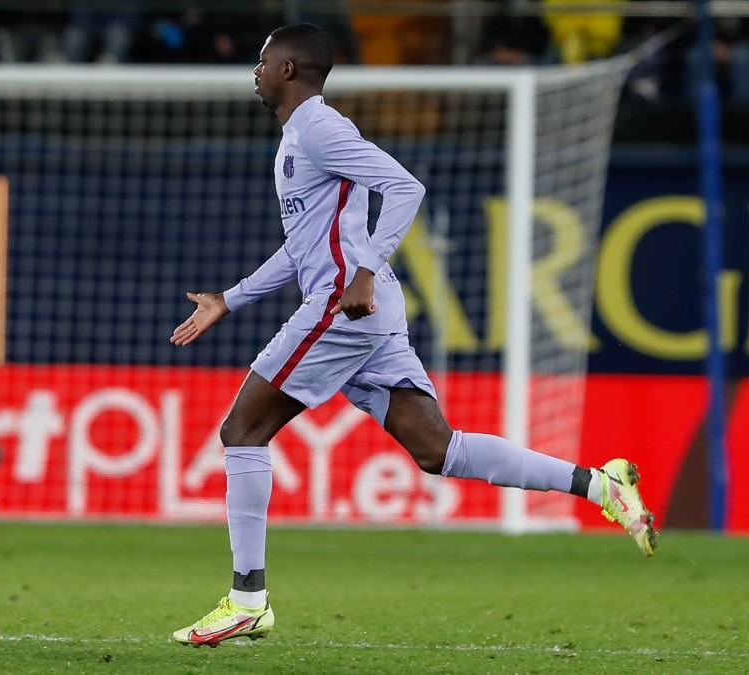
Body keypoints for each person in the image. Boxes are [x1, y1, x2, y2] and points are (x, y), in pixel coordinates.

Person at [169, 24, 658, 648]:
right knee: (437, 450)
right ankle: (599, 483)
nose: (256, 71)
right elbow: (302, 249)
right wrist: (230, 299)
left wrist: (365, 273)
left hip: (343, 308)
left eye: (263, 60)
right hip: (366, 309)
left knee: (242, 430)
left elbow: (405, 185)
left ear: (289, 69)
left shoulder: (320, 128)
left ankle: (247, 599)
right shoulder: (298, 137)